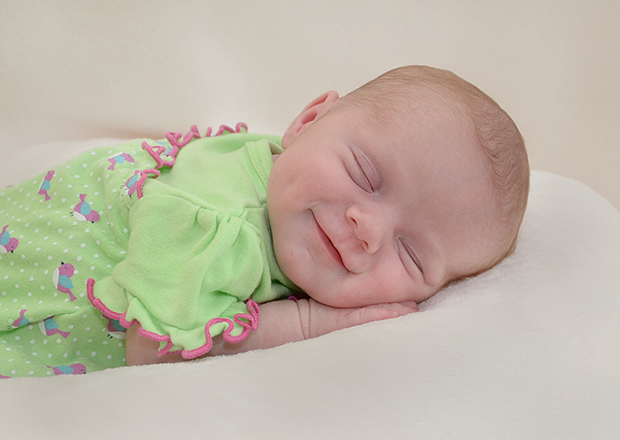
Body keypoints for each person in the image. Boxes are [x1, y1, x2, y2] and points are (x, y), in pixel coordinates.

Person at [0, 66, 529, 377]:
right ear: (307, 122)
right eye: (365, 174)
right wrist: (306, 325)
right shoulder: (218, 221)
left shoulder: (292, 178)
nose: (368, 229)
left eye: (410, 255)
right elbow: (152, 349)